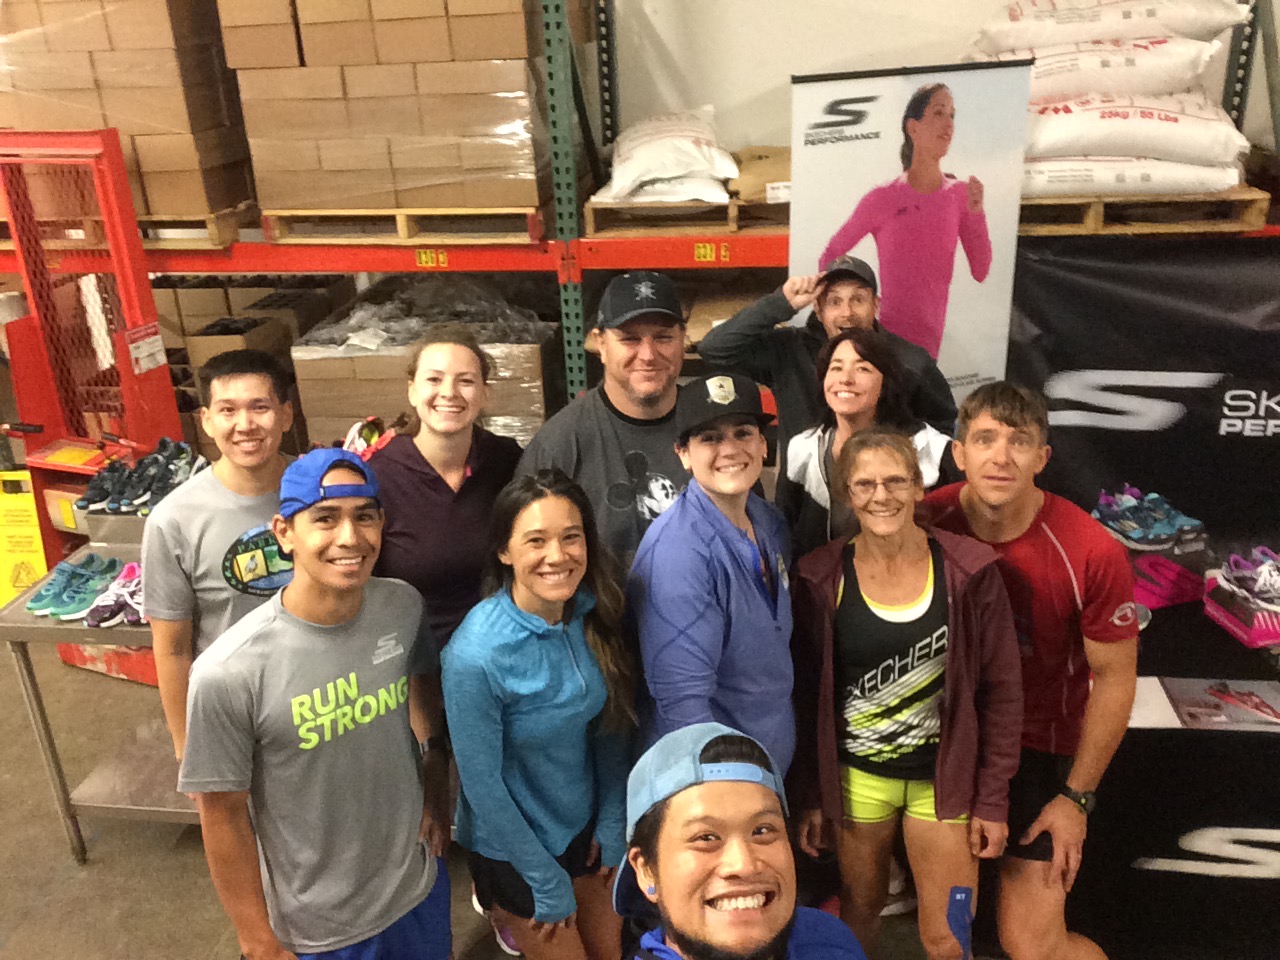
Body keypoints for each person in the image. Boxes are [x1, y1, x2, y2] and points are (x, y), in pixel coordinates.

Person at [178, 449, 452, 960]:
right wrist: (257, 940)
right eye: (325, 519)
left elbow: (422, 683)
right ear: (284, 532)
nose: (349, 538)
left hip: (417, 893)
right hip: (319, 931)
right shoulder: (227, 672)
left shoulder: (401, 606)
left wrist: (435, 769)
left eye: (364, 516)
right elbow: (222, 816)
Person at [923, 382, 1139, 960]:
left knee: (1033, 946)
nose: (1001, 456)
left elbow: (1116, 677)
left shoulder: (1090, 549)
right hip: (941, 743)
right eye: (985, 439)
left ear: (1042, 458)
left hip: (1038, 750)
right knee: (945, 935)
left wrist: (1076, 798)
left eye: (1019, 442)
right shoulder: (923, 520)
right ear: (958, 452)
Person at [788, 430, 1022, 959]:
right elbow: (805, 696)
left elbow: (1003, 692)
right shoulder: (820, 576)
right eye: (865, 484)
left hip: (944, 784)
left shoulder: (969, 570)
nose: (881, 496)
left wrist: (992, 797)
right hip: (858, 781)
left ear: (919, 486)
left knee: (949, 936)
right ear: (847, 494)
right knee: (858, 914)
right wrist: (812, 794)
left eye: (895, 481)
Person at [443, 469, 635, 960]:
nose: (558, 555)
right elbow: (482, 785)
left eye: (571, 537)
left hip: (582, 825)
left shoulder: (591, 613)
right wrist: (542, 878)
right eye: (536, 540)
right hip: (514, 846)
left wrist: (613, 820)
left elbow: (610, 727)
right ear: (504, 552)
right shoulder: (476, 655)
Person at [629, 373, 795, 775]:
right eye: (710, 438)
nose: (730, 449)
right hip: (716, 779)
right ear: (683, 453)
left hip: (769, 768)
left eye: (743, 433)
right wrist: (728, 794)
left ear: (763, 444)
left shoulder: (767, 521)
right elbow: (684, 711)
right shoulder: (678, 554)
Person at [143, 349, 295, 762]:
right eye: (228, 410)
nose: (245, 425)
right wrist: (187, 746)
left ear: (286, 415)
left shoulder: (321, 491)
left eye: (260, 407)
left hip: (327, 697)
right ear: (206, 421)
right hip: (234, 715)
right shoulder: (173, 521)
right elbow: (172, 648)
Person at [616, 722, 868, 960]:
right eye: (705, 837)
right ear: (647, 871)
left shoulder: (828, 938)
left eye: (762, 831)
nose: (744, 865)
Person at [697, 255, 956, 467]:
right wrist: (780, 303)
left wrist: (903, 470)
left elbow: (941, 428)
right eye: (834, 301)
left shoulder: (910, 361)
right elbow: (714, 349)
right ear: (818, 310)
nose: (847, 313)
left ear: (876, 305)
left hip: (881, 496)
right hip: (802, 500)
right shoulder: (788, 350)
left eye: (858, 299)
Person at [518, 270, 687, 564]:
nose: (648, 354)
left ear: (683, 340)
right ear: (601, 344)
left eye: (663, 337)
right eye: (629, 339)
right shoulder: (559, 445)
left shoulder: (714, 428)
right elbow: (529, 560)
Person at [369, 325, 522, 643]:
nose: (449, 392)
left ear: (485, 394)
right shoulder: (378, 477)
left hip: (505, 648)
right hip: (419, 657)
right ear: (412, 390)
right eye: (434, 379)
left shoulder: (508, 461)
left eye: (466, 381)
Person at [819, 84, 992, 359]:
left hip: (930, 344)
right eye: (938, 113)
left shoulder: (959, 195)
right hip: (884, 340)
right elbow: (831, 255)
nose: (948, 124)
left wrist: (976, 213)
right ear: (913, 128)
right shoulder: (883, 198)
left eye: (952, 115)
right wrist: (845, 311)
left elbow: (981, 270)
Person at [776, 328, 962, 557]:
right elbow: (785, 529)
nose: (845, 379)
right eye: (836, 368)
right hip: (827, 577)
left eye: (862, 368)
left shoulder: (932, 451)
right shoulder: (803, 450)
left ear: (886, 382)